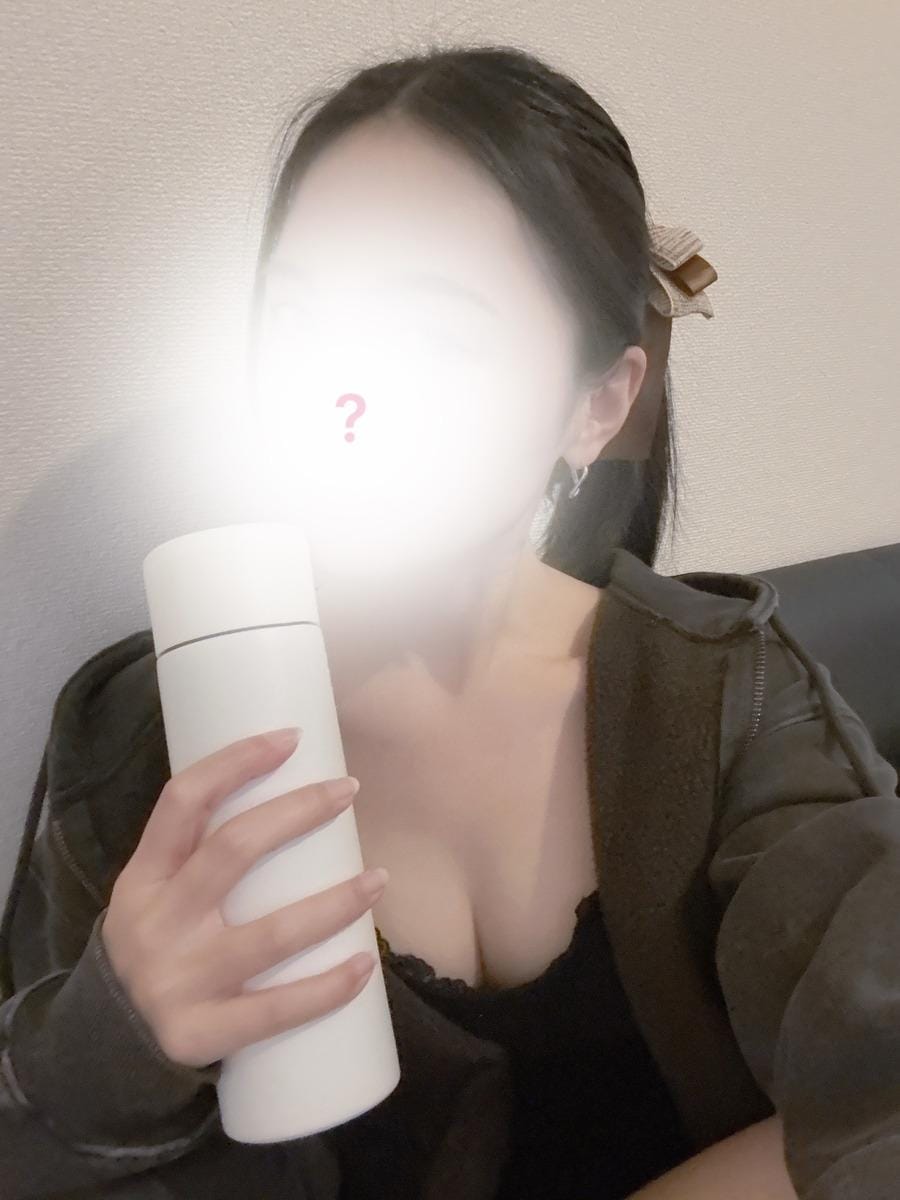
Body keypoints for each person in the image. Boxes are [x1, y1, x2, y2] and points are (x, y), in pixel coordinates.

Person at [2, 43, 899, 1200]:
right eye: (301, 317)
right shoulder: (137, 742)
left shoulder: (726, 696)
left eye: (435, 333)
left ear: (597, 406)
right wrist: (106, 1042)